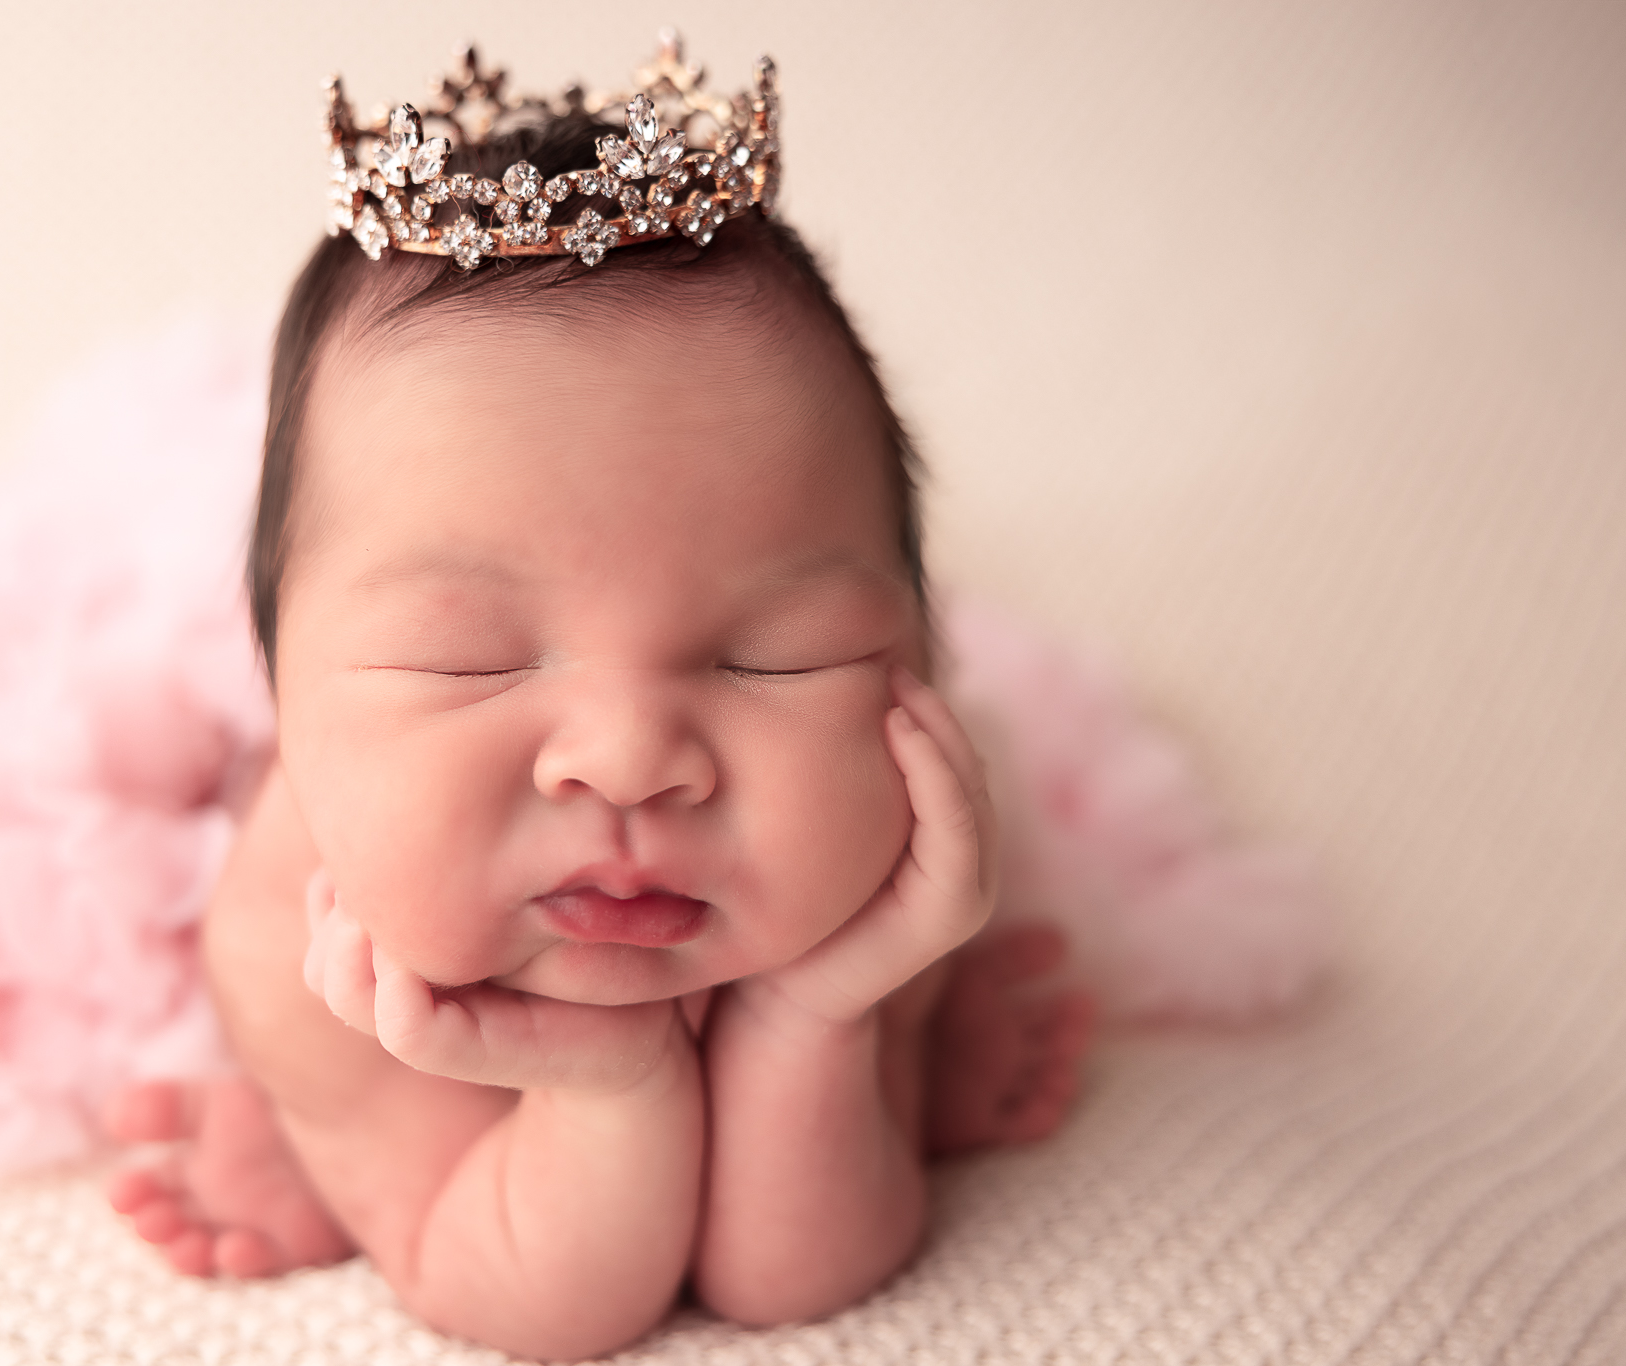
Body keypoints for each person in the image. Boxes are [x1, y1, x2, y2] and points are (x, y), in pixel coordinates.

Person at [101, 44, 1095, 1361]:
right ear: (278, 693)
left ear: (918, 651)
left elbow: (785, 1278)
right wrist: (605, 1083)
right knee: (337, 1117)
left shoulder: (874, 845)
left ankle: (886, 1071)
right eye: (468, 659)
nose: (629, 759)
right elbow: (541, 1302)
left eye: (775, 657)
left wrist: (827, 1010)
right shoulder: (301, 942)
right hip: (395, 1064)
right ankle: (327, 1151)